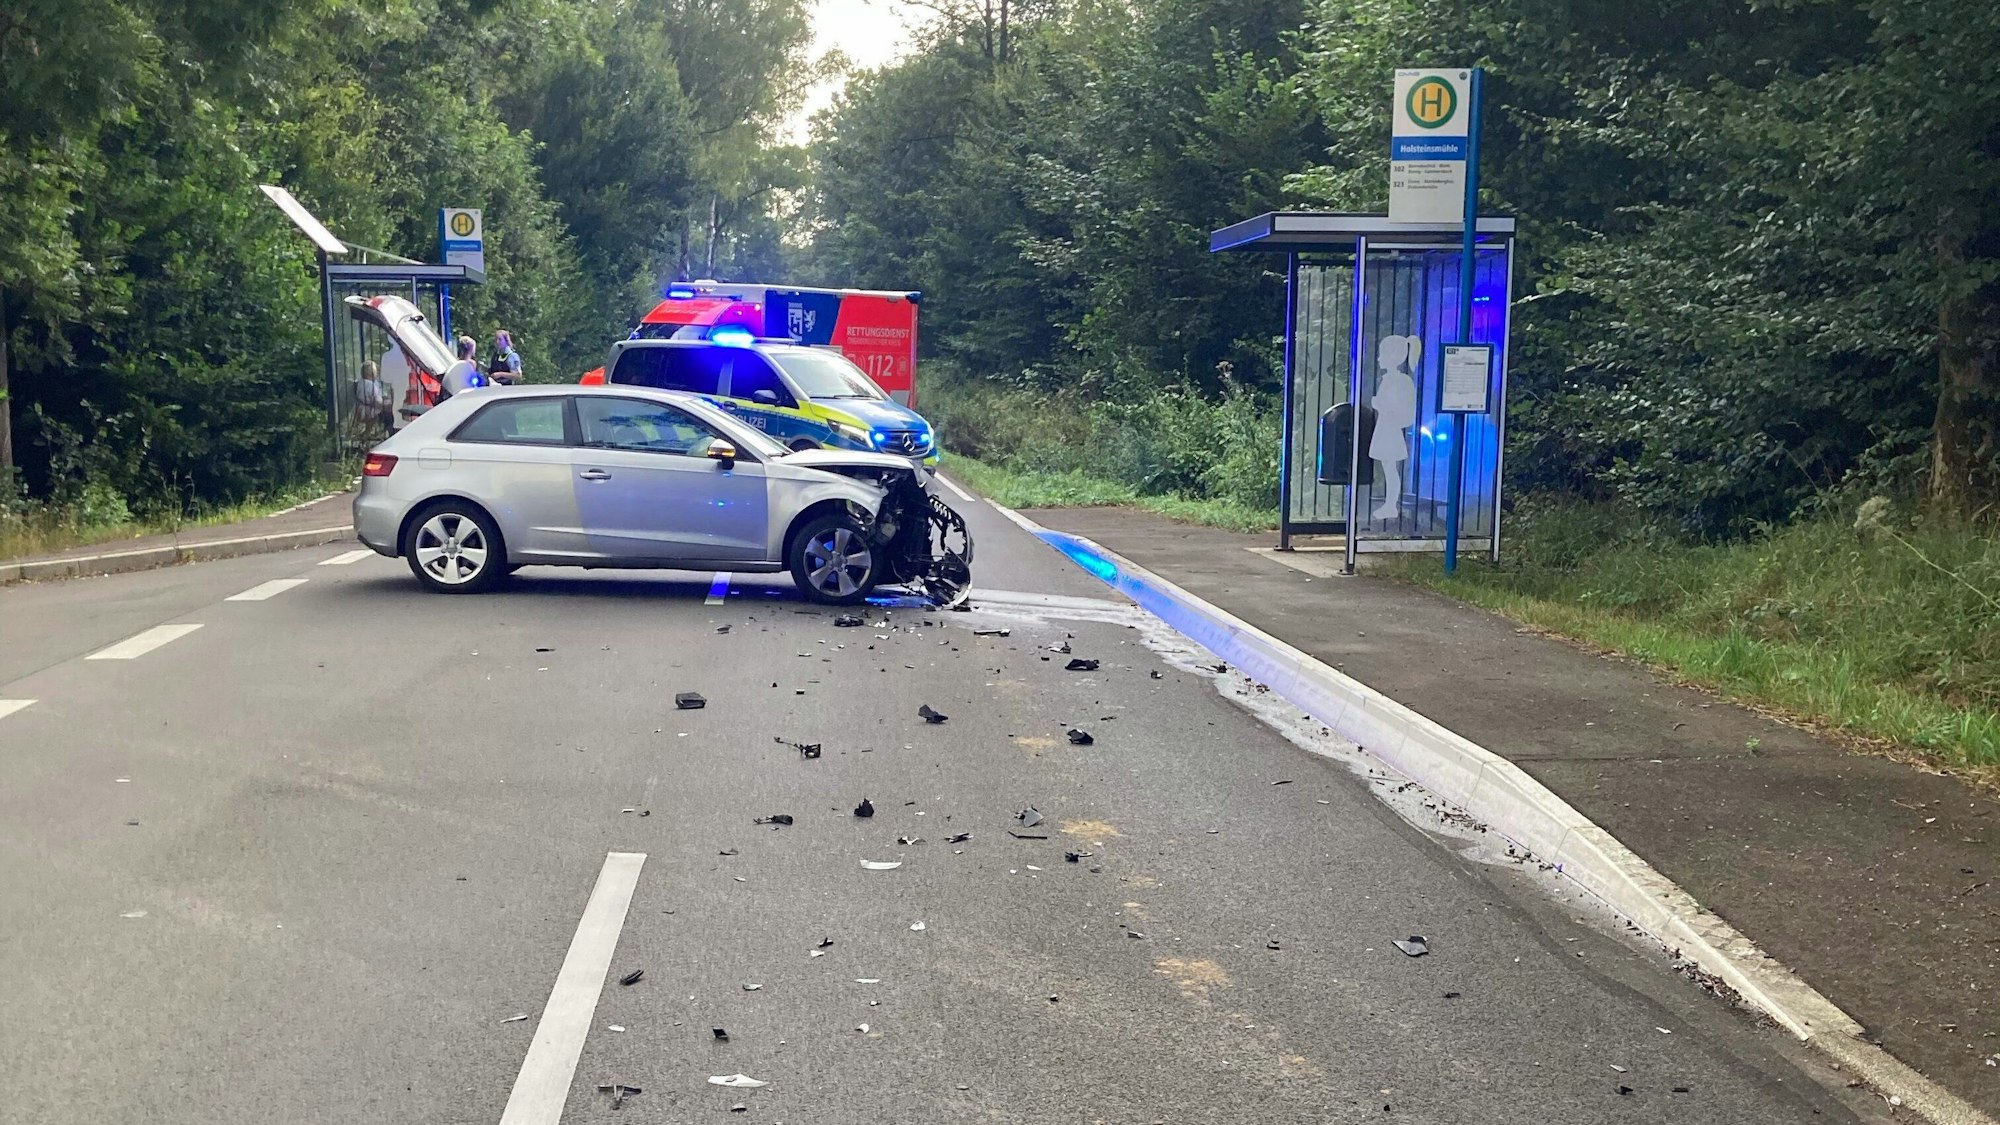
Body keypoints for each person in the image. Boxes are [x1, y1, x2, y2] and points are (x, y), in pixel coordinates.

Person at [355, 360, 392, 431]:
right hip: (370, 411)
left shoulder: (361, 382)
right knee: (391, 410)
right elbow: (378, 403)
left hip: (362, 409)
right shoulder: (370, 385)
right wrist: (390, 405)